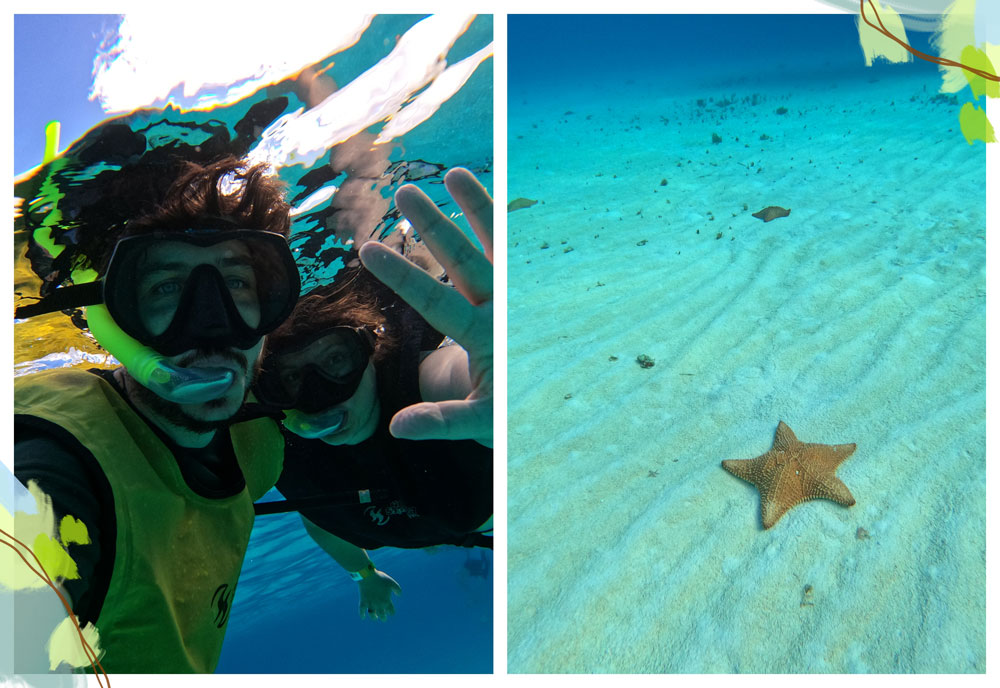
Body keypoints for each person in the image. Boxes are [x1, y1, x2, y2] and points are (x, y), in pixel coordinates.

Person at [13, 157, 301, 673]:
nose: (213, 328)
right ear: (117, 319)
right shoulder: (58, 462)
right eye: (167, 289)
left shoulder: (257, 438)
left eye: (237, 285)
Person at [253, 167, 493, 621]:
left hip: (485, 516)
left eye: (336, 361)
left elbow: (459, 376)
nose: (319, 394)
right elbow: (321, 521)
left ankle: (366, 161)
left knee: (365, 171)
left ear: (369, 352)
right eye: (287, 380)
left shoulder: (420, 385)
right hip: (442, 518)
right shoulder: (286, 451)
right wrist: (365, 575)